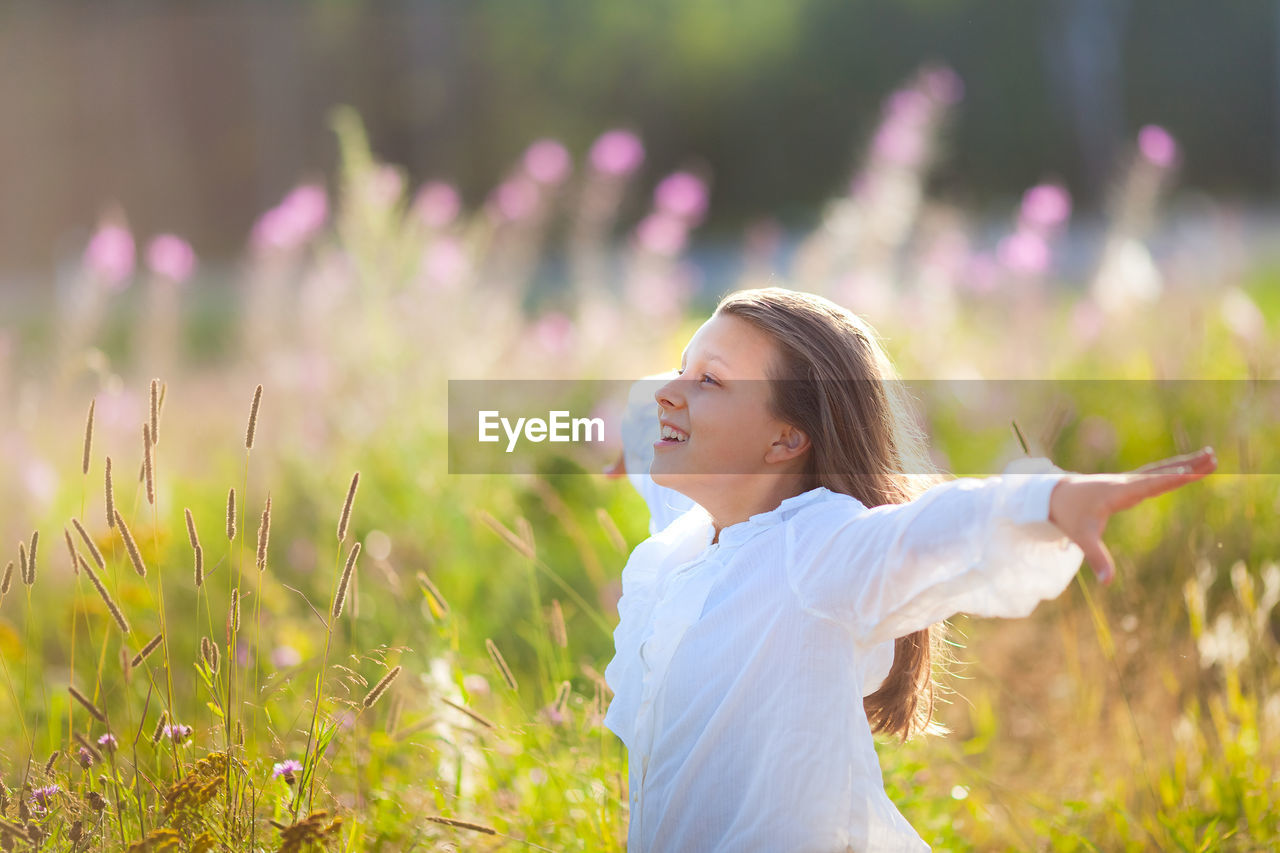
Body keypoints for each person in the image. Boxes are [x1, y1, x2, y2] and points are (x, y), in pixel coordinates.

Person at [600, 287, 1216, 852]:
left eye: (710, 379)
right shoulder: (691, 526)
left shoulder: (817, 550)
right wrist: (646, 433)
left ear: (786, 440)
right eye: (683, 367)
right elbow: (648, 396)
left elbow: (930, 531)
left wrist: (1049, 503)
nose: (672, 391)